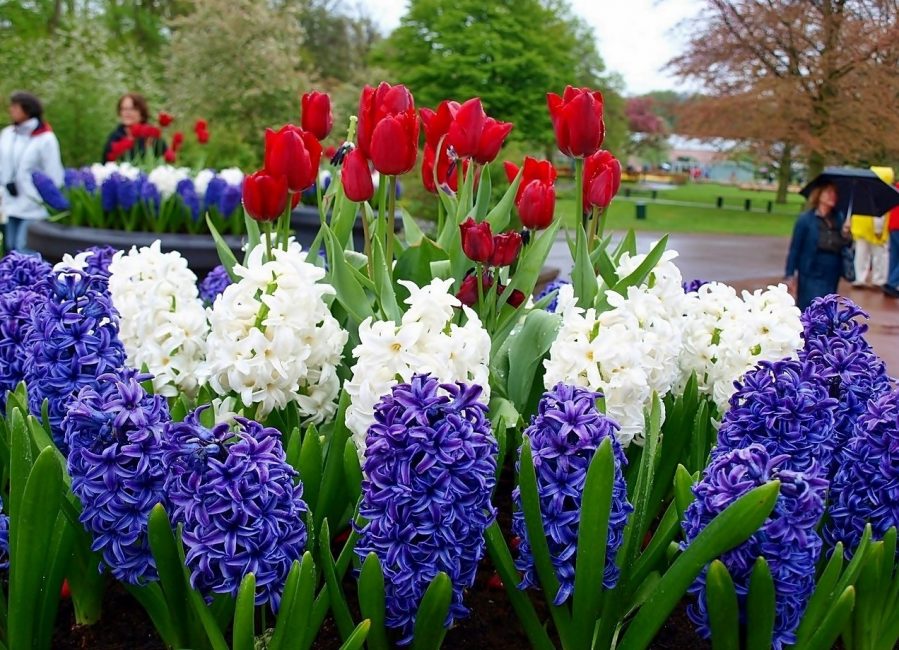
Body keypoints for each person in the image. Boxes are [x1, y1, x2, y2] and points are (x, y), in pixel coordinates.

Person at [0, 91, 64, 253]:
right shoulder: (8, 134)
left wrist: (51, 201)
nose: (11, 110)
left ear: (27, 110)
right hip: (10, 200)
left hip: (34, 204)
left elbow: (54, 173)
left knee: (25, 249)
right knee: (11, 247)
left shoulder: (45, 138)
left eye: (15, 107)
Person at [785, 182, 851, 310]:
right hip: (811, 270)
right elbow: (795, 248)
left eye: (835, 193)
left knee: (827, 309)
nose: (833, 196)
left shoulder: (839, 218)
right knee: (810, 307)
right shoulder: (805, 220)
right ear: (819, 195)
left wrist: (846, 234)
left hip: (831, 271)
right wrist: (790, 274)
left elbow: (845, 246)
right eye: (828, 192)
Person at [101, 92, 165, 163]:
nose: (127, 113)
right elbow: (106, 164)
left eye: (133, 109)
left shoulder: (151, 135)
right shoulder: (115, 137)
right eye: (124, 109)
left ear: (142, 112)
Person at [883, 183, 899, 298]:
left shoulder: (896, 187)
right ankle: (892, 283)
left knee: (894, 256)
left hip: (893, 223)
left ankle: (890, 282)